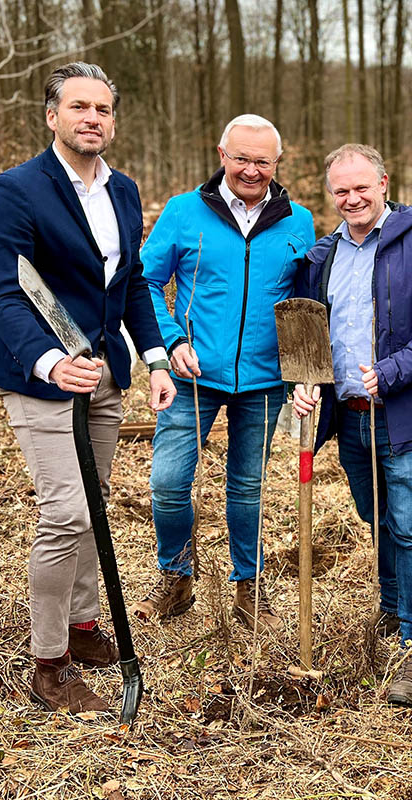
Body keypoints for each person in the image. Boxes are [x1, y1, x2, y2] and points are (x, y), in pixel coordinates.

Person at [0, 62, 176, 712]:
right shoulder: (15, 191)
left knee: (95, 505)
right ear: (52, 116)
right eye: (79, 107)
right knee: (65, 512)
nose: (92, 118)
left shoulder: (122, 191)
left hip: (103, 377)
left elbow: (132, 283)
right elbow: (7, 298)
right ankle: (50, 663)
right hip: (40, 380)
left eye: (103, 109)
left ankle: (85, 627)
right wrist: (47, 362)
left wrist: (154, 358)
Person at [291, 144, 412, 705]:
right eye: (341, 190)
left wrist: (391, 372)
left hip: (406, 412)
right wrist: (306, 383)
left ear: (384, 182)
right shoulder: (323, 256)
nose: (352, 198)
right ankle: (393, 610)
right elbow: (312, 333)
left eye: (361, 187)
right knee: (379, 518)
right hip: (349, 415)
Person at [134, 114, 316, 631]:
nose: (251, 170)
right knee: (169, 483)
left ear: (278, 163)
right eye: (241, 158)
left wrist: (304, 372)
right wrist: (172, 341)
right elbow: (145, 285)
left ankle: (247, 587)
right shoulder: (183, 212)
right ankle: (176, 578)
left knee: (247, 488)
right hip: (192, 378)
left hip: (263, 383)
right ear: (221, 155)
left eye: (263, 161)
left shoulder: (298, 222)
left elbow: (307, 302)